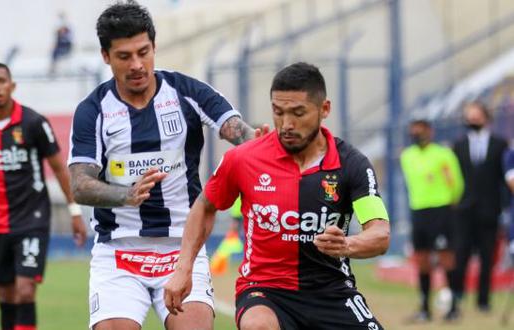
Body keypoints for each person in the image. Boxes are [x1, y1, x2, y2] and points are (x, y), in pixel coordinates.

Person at [67, 2, 265, 329]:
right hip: (119, 254)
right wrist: (125, 195)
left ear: (155, 47)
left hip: (181, 249)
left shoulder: (187, 92)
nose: (137, 65)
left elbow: (238, 131)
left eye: (143, 52)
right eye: (124, 56)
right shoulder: (93, 111)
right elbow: (79, 185)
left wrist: (259, 143)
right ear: (106, 56)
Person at [165, 62, 390, 330]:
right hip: (265, 290)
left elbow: (380, 233)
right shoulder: (243, 158)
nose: (286, 125)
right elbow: (204, 207)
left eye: (298, 113)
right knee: (258, 327)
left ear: (324, 109)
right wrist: (184, 267)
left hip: (331, 290)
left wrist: (348, 245)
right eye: (278, 112)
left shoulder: (352, 164)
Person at [0, 62, 87, 330]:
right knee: (5, 294)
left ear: (12, 86)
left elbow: (59, 168)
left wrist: (74, 211)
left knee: (25, 290)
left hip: (32, 218)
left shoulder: (34, 123)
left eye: (1, 81)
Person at [399, 119, 464, 322]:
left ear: (430, 132)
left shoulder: (443, 154)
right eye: (414, 132)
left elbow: (457, 184)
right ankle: (425, 309)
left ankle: (453, 307)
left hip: (441, 210)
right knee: (422, 259)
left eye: (421, 131)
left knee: (446, 259)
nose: (417, 135)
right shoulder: (407, 156)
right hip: (419, 210)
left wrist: (448, 202)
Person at [452, 101, 509, 312]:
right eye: (469, 116)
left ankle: (483, 300)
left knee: (487, 256)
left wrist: (503, 206)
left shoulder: (500, 144)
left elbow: (504, 178)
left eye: (476, 116)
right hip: (463, 210)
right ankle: (457, 297)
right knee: (461, 254)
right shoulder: (458, 145)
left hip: (489, 210)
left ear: (485, 118)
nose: (472, 120)